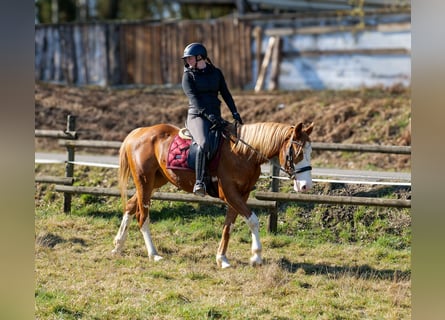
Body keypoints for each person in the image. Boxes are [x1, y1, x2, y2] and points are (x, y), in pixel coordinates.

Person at [181, 42, 243, 197]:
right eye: (187, 59)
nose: (187, 61)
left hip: (215, 115)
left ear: (200, 57)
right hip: (197, 116)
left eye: (190, 58)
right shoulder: (187, 76)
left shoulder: (216, 73)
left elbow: (226, 94)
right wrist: (209, 116)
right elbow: (195, 100)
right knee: (203, 144)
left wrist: (235, 113)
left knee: (235, 141)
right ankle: (200, 182)